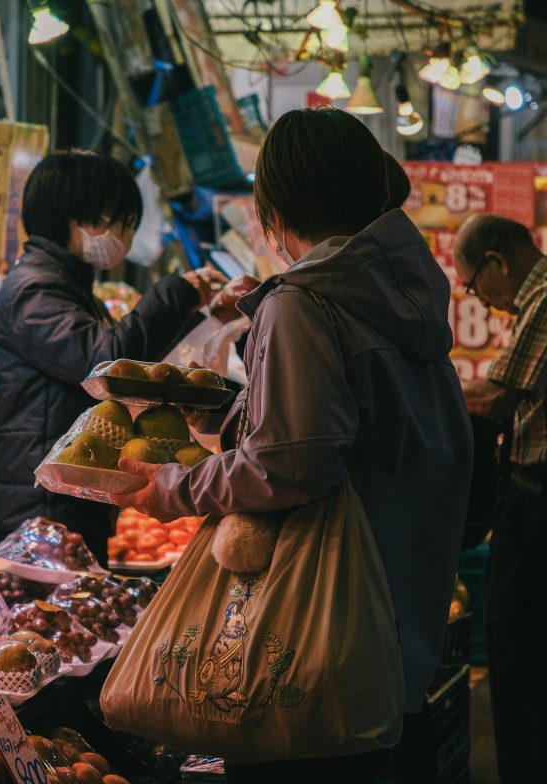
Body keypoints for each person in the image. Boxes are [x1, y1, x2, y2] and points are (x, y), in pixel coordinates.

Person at [114, 108, 472, 781]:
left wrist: (173, 488)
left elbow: (290, 464)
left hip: (317, 641)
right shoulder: (405, 290)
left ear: (277, 204)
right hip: (402, 614)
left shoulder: (304, 303)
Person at [0, 150, 213, 566]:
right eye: (117, 220)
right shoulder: (35, 290)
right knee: (47, 626)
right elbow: (104, 362)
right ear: (75, 216)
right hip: (41, 504)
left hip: (62, 494)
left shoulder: (63, 283)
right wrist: (176, 294)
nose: (122, 234)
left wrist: (192, 308)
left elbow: (122, 357)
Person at [453, 214, 547, 784]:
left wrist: (425, 388)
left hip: (538, 498)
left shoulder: (543, 298)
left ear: (497, 262)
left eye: (472, 285)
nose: (479, 299)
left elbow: (497, 399)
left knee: (519, 651)